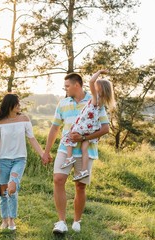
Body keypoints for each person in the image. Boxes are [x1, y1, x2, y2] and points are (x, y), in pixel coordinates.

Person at [42, 70, 111, 234]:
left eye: (67, 86)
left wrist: (84, 137)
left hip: (86, 149)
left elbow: (105, 128)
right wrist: (46, 151)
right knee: (58, 179)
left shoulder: (95, 101)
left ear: (77, 85)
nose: (65, 89)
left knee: (80, 186)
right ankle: (61, 222)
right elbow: (54, 128)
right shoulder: (63, 103)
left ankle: (77, 220)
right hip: (65, 148)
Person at [0, 93, 44, 231]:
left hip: (19, 159)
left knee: (12, 187)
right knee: (3, 191)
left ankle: (12, 219)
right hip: (2, 160)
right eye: (17, 104)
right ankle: (5, 220)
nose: (20, 106)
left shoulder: (24, 119)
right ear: (10, 105)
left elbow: (32, 139)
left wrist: (43, 154)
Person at [60, 69, 115, 181]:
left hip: (84, 126)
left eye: (95, 86)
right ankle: (84, 171)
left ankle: (69, 158)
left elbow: (90, 81)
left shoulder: (95, 98)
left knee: (67, 136)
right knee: (85, 148)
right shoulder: (102, 102)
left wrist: (99, 72)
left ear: (98, 89)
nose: (92, 87)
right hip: (92, 129)